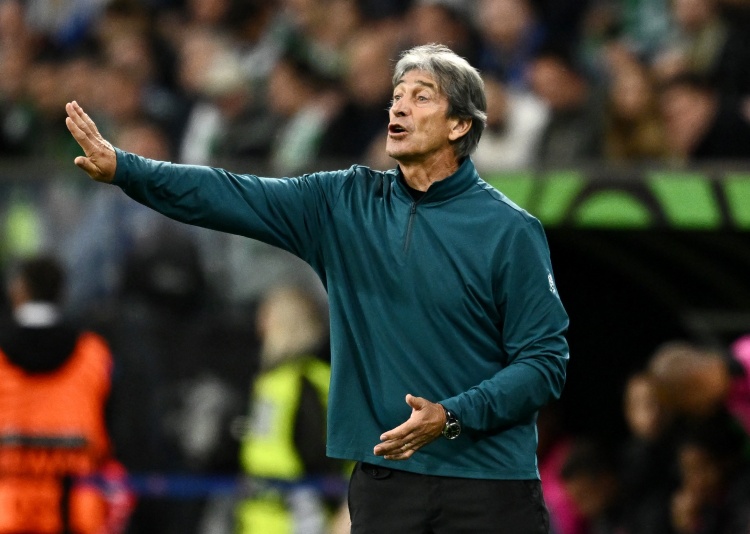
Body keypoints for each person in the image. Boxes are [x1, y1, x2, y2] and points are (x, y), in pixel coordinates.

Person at [64, 43, 569, 533]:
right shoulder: (344, 203)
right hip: (388, 483)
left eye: (421, 97)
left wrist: (453, 416)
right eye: (396, 95)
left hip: (489, 483)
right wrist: (128, 170)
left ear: (460, 125)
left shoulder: (509, 230)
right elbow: (227, 193)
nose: (398, 107)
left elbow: (545, 362)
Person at [0, 255, 133, 534]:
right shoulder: (94, 355)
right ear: (62, 294)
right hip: (75, 516)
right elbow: (119, 434)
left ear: (18, 291)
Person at [236, 285, 344, 534]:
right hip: (259, 521)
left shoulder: (306, 383)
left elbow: (321, 457)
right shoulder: (271, 381)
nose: (259, 327)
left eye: (267, 318)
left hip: (301, 520)